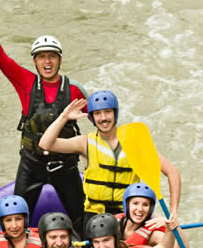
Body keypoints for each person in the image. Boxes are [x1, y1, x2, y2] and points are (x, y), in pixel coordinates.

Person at [0, 18, 87, 236]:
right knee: (17, 218)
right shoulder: (25, 82)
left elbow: (100, 120)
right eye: (42, 57)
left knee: (81, 217)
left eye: (52, 56)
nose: (47, 61)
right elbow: (1, 59)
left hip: (65, 166)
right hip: (31, 165)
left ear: (59, 60)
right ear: (34, 61)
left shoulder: (75, 91)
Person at [38, 93, 182, 236]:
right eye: (98, 114)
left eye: (108, 112)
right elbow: (45, 143)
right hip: (94, 216)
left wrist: (173, 211)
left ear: (115, 113)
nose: (103, 118)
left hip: (128, 216)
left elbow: (172, 172)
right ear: (92, 118)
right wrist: (64, 117)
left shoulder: (135, 144)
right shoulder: (85, 143)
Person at [117, 181, 190, 248]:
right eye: (135, 203)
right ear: (127, 205)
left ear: (150, 208)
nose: (140, 209)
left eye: (145, 205)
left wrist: (173, 223)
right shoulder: (115, 223)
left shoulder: (153, 235)